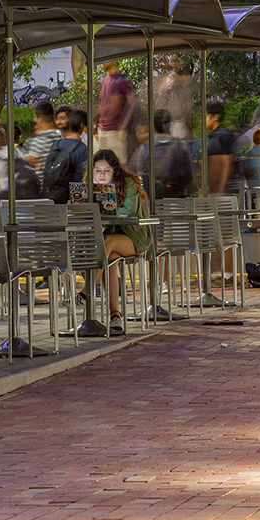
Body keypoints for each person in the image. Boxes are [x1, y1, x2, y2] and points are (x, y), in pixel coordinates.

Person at [91, 150, 151, 324]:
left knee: (106, 244)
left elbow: (128, 212)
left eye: (106, 170)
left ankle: (87, 291)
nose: (102, 174)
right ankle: (115, 315)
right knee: (109, 259)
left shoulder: (128, 183)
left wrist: (106, 206)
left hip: (134, 236)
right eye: (98, 170)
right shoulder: (90, 185)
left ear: (114, 170)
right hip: (107, 237)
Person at [41, 108, 89, 201]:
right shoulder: (82, 148)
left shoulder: (55, 145)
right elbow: (81, 178)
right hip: (70, 200)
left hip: (50, 197)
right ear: (82, 126)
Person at [96, 62, 135, 162]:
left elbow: (133, 103)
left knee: (119, 164)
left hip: (115, 131)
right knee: (104, 163)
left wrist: (122, 127)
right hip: (103, 129)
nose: (102, 63)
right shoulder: (106, 79)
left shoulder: (121, 80)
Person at [19, 100, 62, 177]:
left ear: (40, 118)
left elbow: (28, 162)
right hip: (57, 182)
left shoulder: (40, 140)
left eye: (35, 117)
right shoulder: (60, 136)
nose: (34, 120)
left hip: (42, 184)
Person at [204, 101, 237, 196]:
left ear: (215, 117)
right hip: (214, 189)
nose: (201, 120)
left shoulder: (223, 135)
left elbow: (227, 163)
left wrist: (221, 189)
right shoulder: (213, 137)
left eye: (205, 116)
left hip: (221, 192)